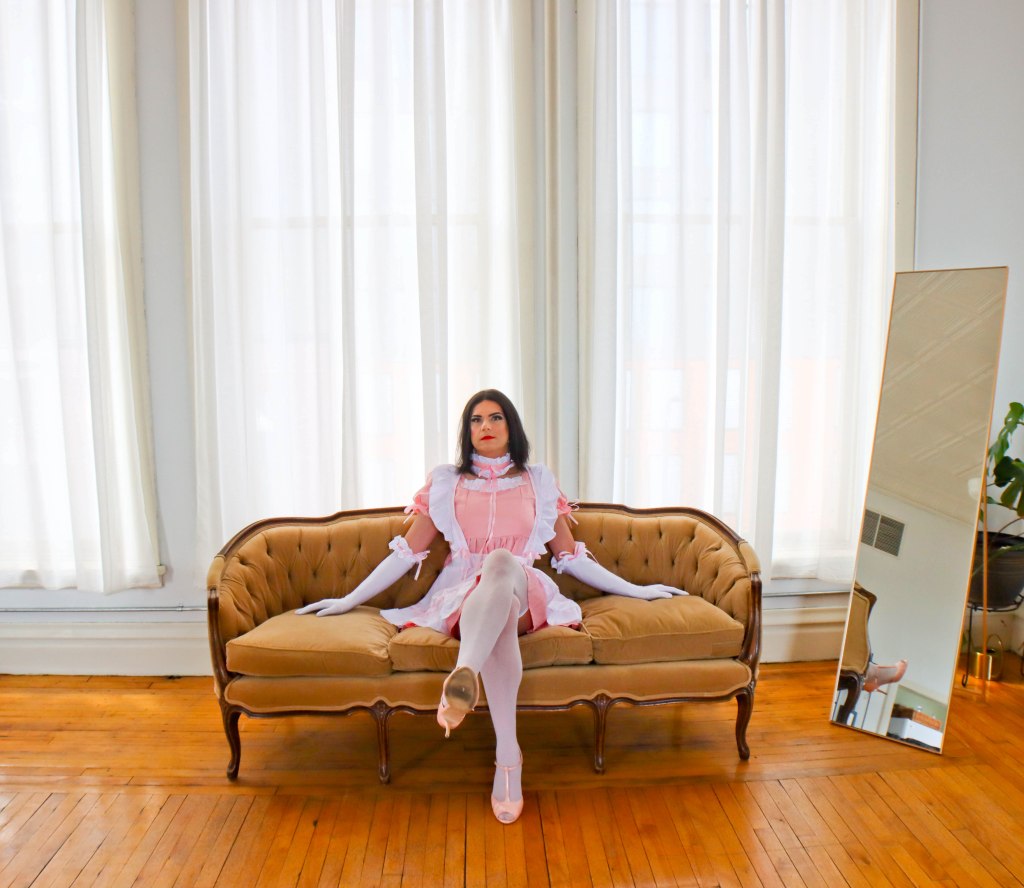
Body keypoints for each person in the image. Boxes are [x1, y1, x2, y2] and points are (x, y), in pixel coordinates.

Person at [297, 389, 686, 824]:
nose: (485, 426)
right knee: (497, 613)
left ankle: (464, 674)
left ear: (510, 426)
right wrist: (350, 599)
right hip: (464, 596)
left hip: (524, 587)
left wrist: (636, 590)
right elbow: (406, 552)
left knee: (501, 563)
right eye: (476, 419)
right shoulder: (447, 482)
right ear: (467, 431)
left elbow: (570, 556)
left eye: (495, 418)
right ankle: (507, 757)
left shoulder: (539, 480)